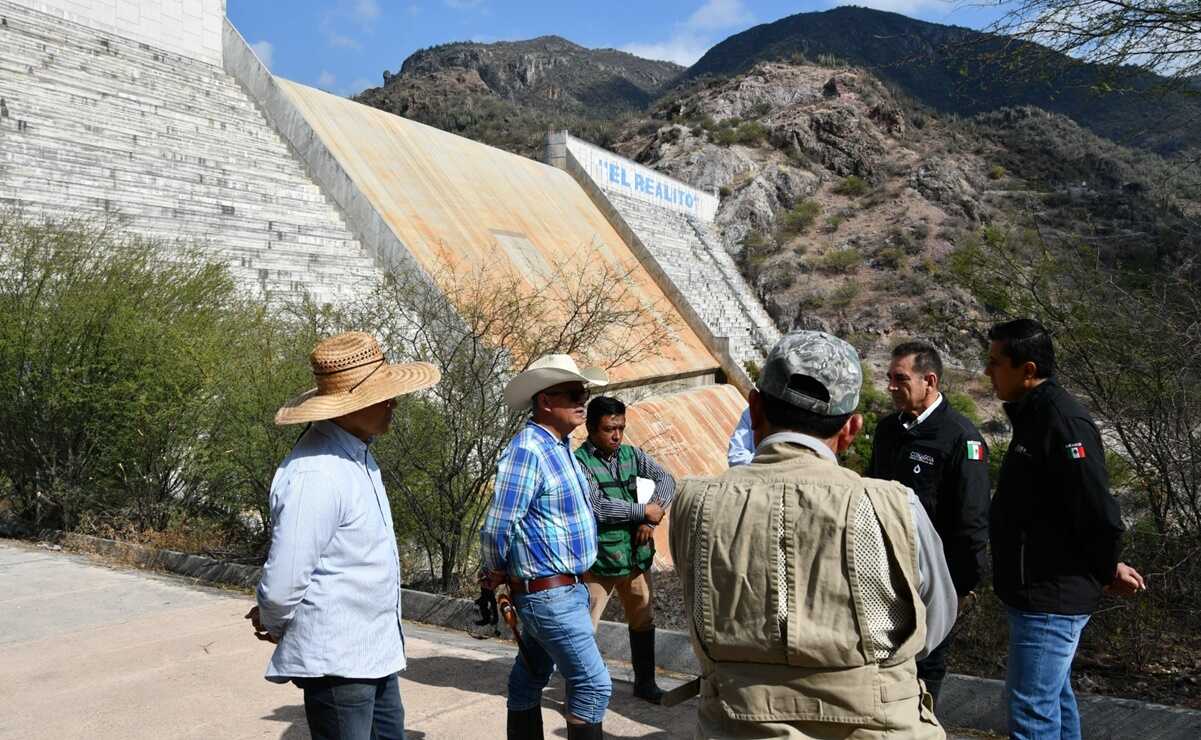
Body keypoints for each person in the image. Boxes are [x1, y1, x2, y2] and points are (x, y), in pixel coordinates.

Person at [670, 330, 957, 739]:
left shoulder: (693, 502)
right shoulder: (895, 506)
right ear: (851, 429)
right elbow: (933, 624)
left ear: (753, 409)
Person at [246, 332, 441, 740]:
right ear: (348, 405)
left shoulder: (355, 455)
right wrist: (274, 618)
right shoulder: (316, 473)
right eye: (382, 395)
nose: (393, 402)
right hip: (339, 660)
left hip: (374, 650)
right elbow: (284, 581)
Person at [986, 319, 1145, 740]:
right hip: (1036, 589)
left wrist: (1107, 566)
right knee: (1053, 700)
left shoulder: (1061, 420)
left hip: (1051, 594)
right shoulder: (1033, 415)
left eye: (996, 363)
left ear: (1028, 369)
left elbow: (1099, 511)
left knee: (1031, 712)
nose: (987, 372)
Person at [480, 354, 612, 740]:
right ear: (545, 401)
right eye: (573, 393)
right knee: (593, 684)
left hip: (564, 590)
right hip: (547, 594)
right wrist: (498, 571)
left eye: (583, 392)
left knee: (531, 675)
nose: (582, 400)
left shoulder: (559, 446)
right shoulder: (529, 450)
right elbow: (498, 525)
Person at [867, 341, 990, 708]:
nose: (890, 386)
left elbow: (972, 519)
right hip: (883, 575)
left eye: (900, 379)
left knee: (925, 673)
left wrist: (963, 587)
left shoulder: (960, 438)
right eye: (889, 378)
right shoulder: (889, 430)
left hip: (934, 581)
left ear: (930, 380)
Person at [576, 395, 676, 703]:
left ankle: (645, 683)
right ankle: (584, 688)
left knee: (643, 619)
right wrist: (640, 512)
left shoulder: (632, 455)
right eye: (609, 429)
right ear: (591, 428)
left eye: (620, 428)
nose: (617, 435)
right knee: (583, 628)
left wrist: (654, 512)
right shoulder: (580, 463)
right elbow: (597, 507)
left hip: (634, 555)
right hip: (599, 560)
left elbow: (666, 478)